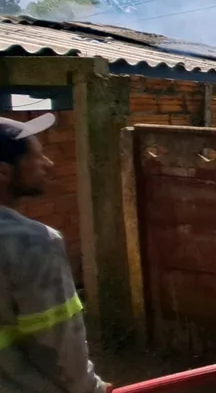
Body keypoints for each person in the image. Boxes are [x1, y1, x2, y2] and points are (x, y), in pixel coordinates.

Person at [0, 113, 110, 393]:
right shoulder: (31, 243)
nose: (48, 163)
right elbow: (59, 347)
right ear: (3, 172)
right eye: (36, 156)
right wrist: (92, 388)